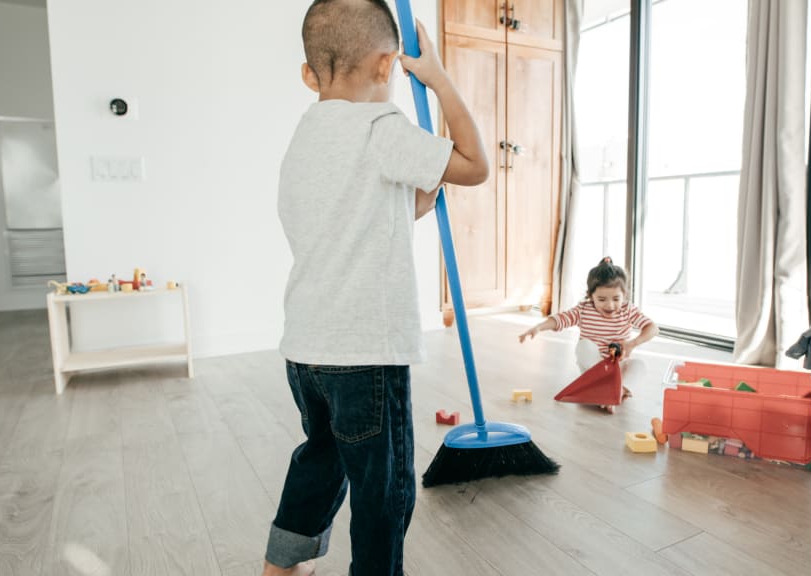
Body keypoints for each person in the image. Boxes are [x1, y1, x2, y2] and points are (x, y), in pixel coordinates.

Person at [263, 1, 488, 575]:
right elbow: (473, 164)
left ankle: (282, 565)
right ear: (389, 66)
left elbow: (346, 220)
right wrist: (435, 76)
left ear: (309, 74)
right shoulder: (381, 127)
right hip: (365, 355)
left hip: (307, 350)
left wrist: (412, 200)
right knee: (382, 494)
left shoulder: (304, 134)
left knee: (321, 457)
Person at [519, 257, 659, 413]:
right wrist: (539, 327)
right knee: (584, 345)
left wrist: (633, 343)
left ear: (624, 295)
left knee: (639, 365)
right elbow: (561, 319)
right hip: (593, 369)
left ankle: (618, 389)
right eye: (601, 299)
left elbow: (652, 328)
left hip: (616, 369)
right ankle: (607, 389)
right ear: (590, 296)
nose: (610, 305)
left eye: (616, 299)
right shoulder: (584, 309)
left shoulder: (627, 309)